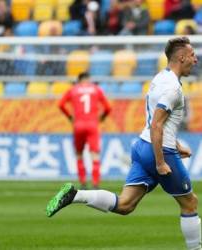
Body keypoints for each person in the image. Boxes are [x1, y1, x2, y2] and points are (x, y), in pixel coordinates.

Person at [46, 37, 201, 250]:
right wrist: (160, 162)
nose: (195, 59)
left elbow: (160, 123)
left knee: (125, 205)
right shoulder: (173, 88)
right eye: (192, 55)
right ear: (181, 57)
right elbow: (157, 125)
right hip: (159, 151)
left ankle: (75, 195)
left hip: (142, 146)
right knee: (190, 202)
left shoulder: (160, 78)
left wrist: (175, 144)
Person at [58, 72, 111, 189]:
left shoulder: (73, 90)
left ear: (79, 80)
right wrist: (102, 117)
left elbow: (61, 104)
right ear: (88, 79)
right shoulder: (96, 89)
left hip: (78, 125)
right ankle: (95, 183)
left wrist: (70, 117)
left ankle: (83, 183)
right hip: (93, 125)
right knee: (95, 155)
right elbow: (108, 108)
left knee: (79, 154)